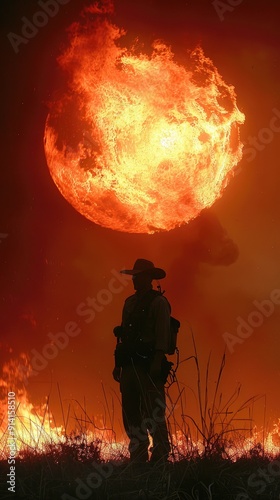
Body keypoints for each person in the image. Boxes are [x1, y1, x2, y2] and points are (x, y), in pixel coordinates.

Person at [112, 258, 171, 464]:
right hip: (129, 365)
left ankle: (161, 456)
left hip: (148, 366)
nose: (134, 280)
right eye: (134, 276)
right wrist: (118, 364)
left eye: (138, 276)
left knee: (154, 411)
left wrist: (157, 361)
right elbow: (123, 337)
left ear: (148, 278)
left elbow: (162, 335)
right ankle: (137, 457)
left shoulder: (159, 303)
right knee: (130, 413)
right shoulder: (129, 303)